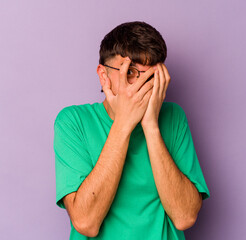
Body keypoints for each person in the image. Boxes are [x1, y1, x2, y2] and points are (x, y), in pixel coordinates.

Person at [53, 21, 210, 240]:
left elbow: (184, 217)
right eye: (131, 72)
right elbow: (85, 223)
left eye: (151, 75)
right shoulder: (73, 121)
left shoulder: (173, 117)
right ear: (103, 75)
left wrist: (151, 125)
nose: (142, 84)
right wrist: (124, 123)